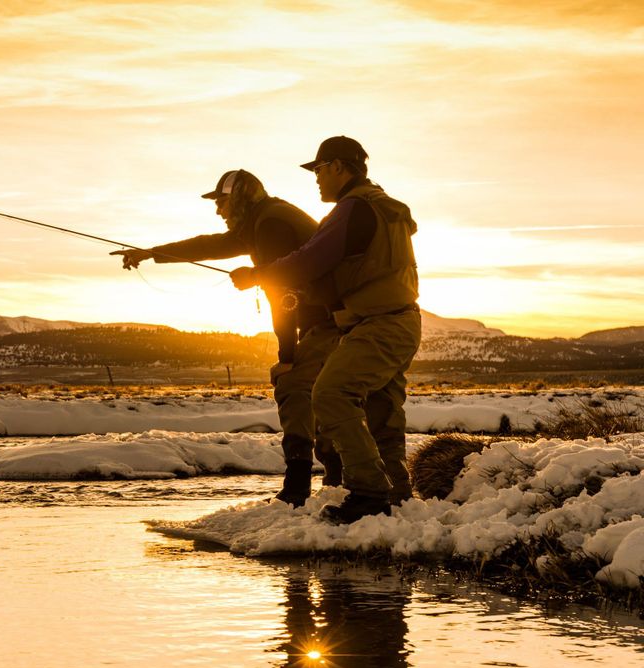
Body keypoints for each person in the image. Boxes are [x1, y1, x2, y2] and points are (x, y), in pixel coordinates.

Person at [111, 169, 342, 506]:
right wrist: (150, 252)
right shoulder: (259, 222)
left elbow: (283, 292)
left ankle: (298, 488)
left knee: (293, 385)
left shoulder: (270, 225)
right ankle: (335, 478)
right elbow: (209, 245)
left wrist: (287, 357)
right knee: (319, 395)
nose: (218, 210)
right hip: (325, 318)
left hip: (328, 320)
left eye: (221, 202)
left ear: (240, 198)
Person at [229, 136, 420, 523]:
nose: (315, 179)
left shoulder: (353, 208)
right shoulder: (383, 208)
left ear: (337, 166)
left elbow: (308, 260)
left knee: (331, 394)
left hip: (377, 324)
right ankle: (398, 498)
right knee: (382, 412)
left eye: (318, 169)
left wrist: (258, 275)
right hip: (399, 321)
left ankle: (369, 492)